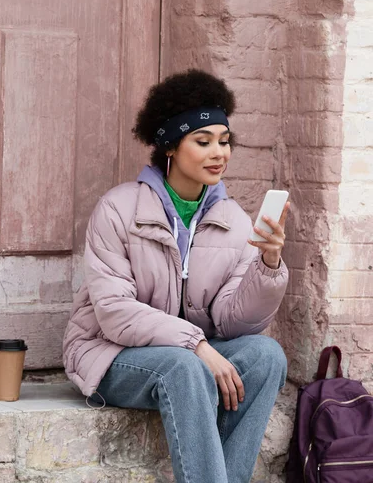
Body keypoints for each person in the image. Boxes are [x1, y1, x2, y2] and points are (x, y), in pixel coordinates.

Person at [63, 69, 290, 483]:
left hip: (189, 355)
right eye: (203, 142)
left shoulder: (234, 221)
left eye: (224, 141)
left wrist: (268, 266)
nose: (218, 152)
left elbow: (232, 322)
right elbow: (114, 313)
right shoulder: (119, 209)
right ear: (170, 146)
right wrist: (197, 345)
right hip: (111, 355)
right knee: (182, 367)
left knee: (266, 356)